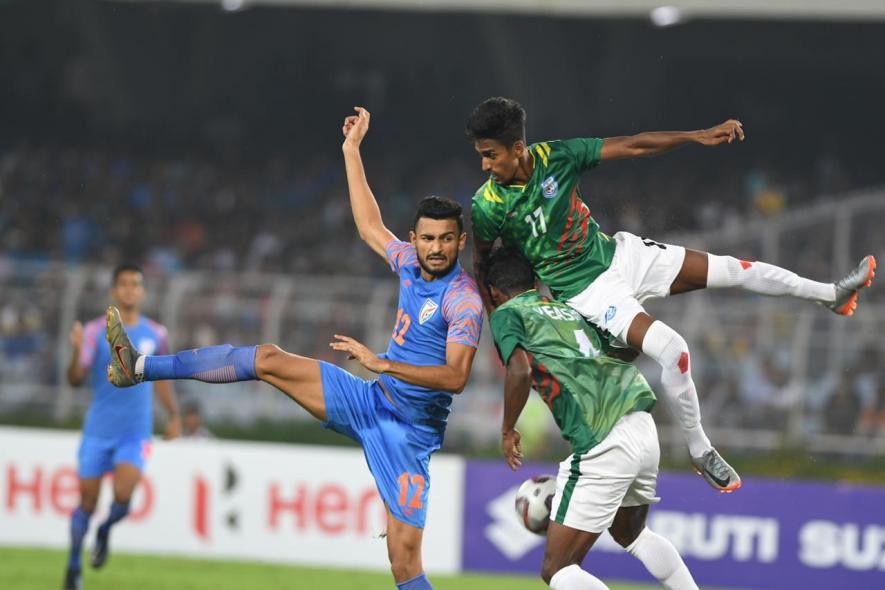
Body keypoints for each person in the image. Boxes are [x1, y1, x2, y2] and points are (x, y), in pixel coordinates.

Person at [105, 107, 483, 590]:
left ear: (460, 241)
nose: (435, 248)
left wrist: (380, 362)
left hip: (410, 436)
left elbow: (456, 377)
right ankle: (136, 365)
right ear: (415, 238)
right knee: (267, 358)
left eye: (446, 240)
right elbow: (369, 225)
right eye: (428, 238)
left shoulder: (462, 299)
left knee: (404, 564)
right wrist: (351, 150)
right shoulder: (408, 261)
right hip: (370, 401)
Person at [467, 96, 877, 492]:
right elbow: (484, 264)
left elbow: (634, 144)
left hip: (621, 254)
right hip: (588, 293)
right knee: (673, 350)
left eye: (490, 154)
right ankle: (700, 450)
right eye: (481, 155)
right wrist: (498, 317)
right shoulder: (487, 205)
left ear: (517, 147)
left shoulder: (555, 157)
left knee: (735, 269)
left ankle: (831, 295)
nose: (485, 164)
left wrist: (698, 135)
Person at [486, 247, 698, 590]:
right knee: (632, 534)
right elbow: (625, 348)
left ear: (494, 291)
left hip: (604, 436)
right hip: (641, 420)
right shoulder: (567, 309)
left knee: (557, 569)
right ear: (535, 280)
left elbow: (520, 369)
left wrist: (508, 428)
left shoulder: (507, 314)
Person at [64, 263, 181, 590]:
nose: (130, 289)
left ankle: (104, 531)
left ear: (142, 291)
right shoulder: (91, 332)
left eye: (136, 284)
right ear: (114, 290)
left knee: (123, 493)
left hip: (135, 431)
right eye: (124, 284)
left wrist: (174, 415)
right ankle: (74, 565)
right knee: (86, 503)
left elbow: (162, 380)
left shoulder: (156, 334)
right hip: (98, 431)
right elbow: (74, 380)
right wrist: (75, 352)